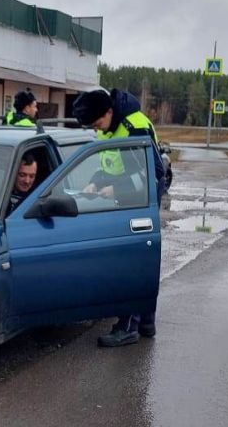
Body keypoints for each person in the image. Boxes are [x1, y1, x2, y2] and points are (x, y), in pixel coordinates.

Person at [72, 88, 164, 348]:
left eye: (97, 122)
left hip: (143, 200)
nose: (97, 128)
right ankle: (146, 322)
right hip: (128, 200)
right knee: (141, 262)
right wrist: (94, 182)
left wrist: (119, 189)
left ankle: (127, 327)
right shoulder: (107, 127)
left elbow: (153, 172)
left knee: (131, 263)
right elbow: (109, 166)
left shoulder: (134, 127)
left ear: (109, 112)